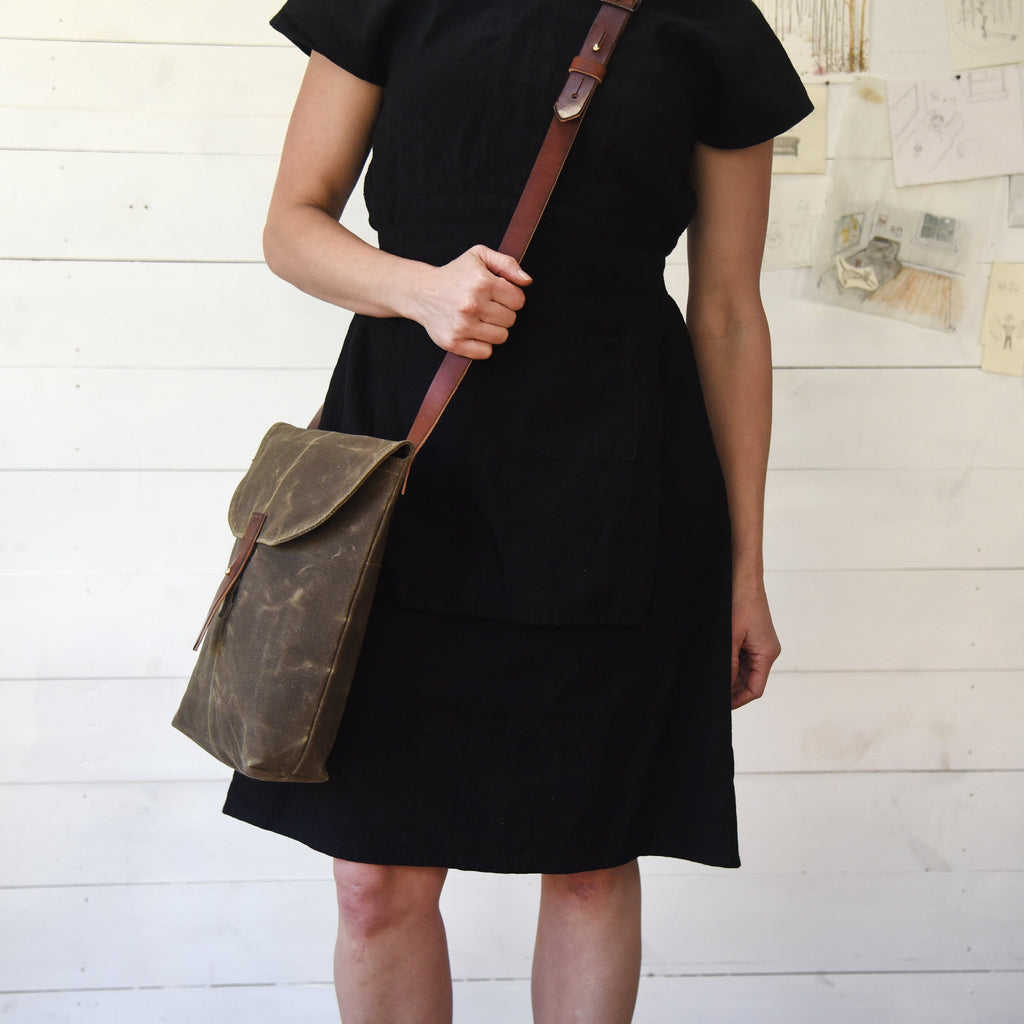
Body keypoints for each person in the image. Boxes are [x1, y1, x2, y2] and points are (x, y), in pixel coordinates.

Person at [223, 1, 813, 1021]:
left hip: (616, 484)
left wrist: (744, 569)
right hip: (401, 477)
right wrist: (418, 289)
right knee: (373, 881)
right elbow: (293, 225)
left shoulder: (707, 21)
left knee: (587, 862)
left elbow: (726, 309)